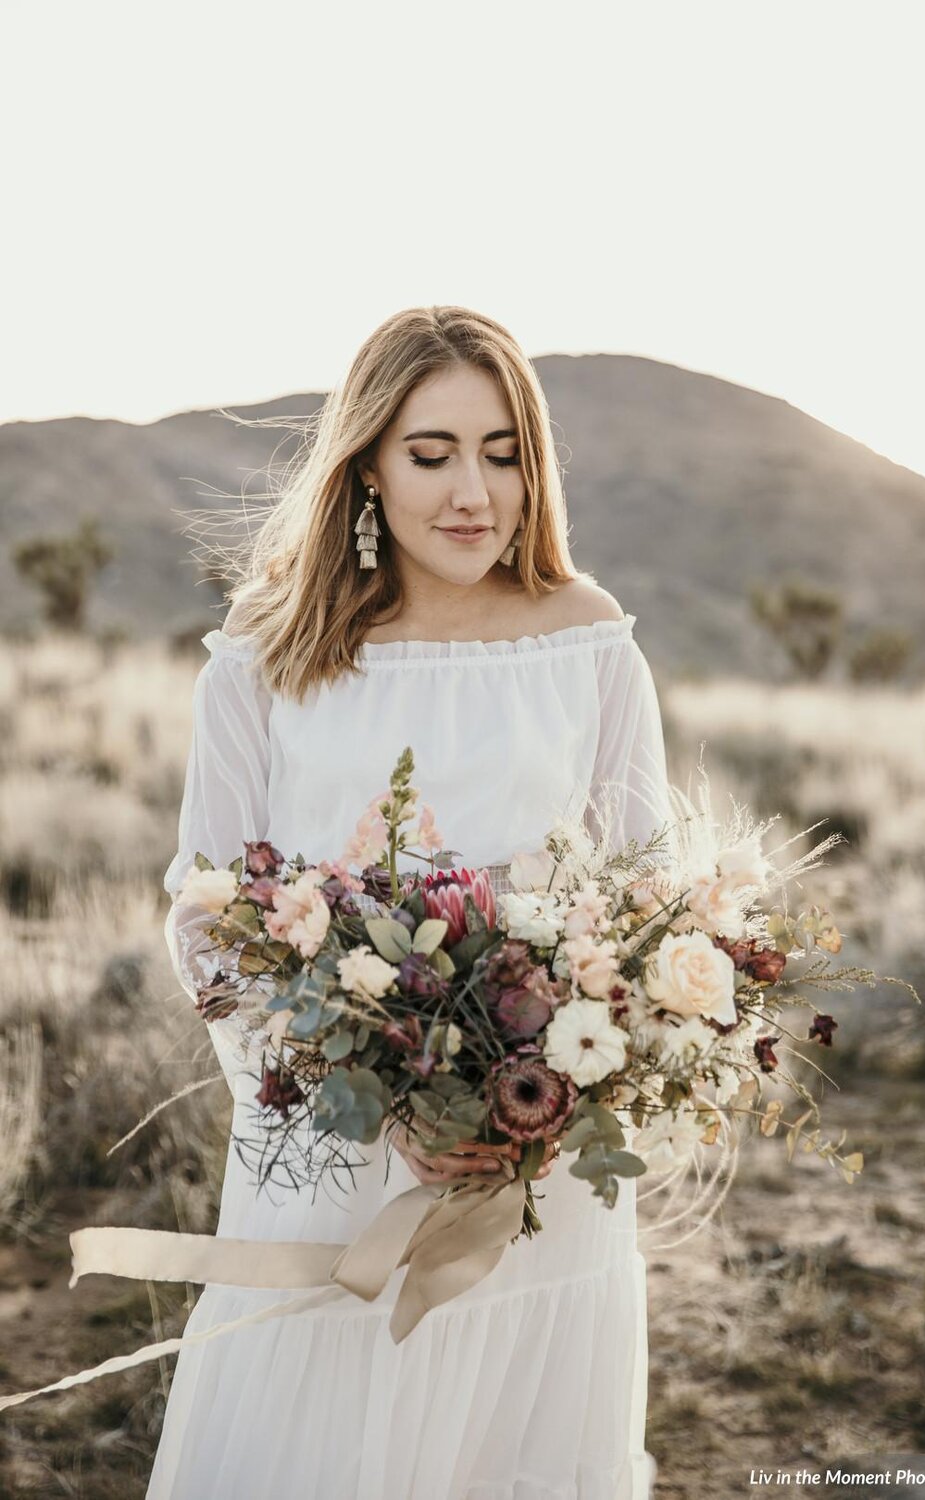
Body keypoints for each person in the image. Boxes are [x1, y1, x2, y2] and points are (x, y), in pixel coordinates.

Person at [148, 306, 669, 1499]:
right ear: (368, 464)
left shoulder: (588, 642)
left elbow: (645, 902)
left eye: (502, 451)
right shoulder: (268, 650)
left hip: (529, 1155)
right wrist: (360, 1097)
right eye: (431, 454)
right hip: (330, 1141)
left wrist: (527, 1108)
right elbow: (208, 906)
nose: (472, 491)